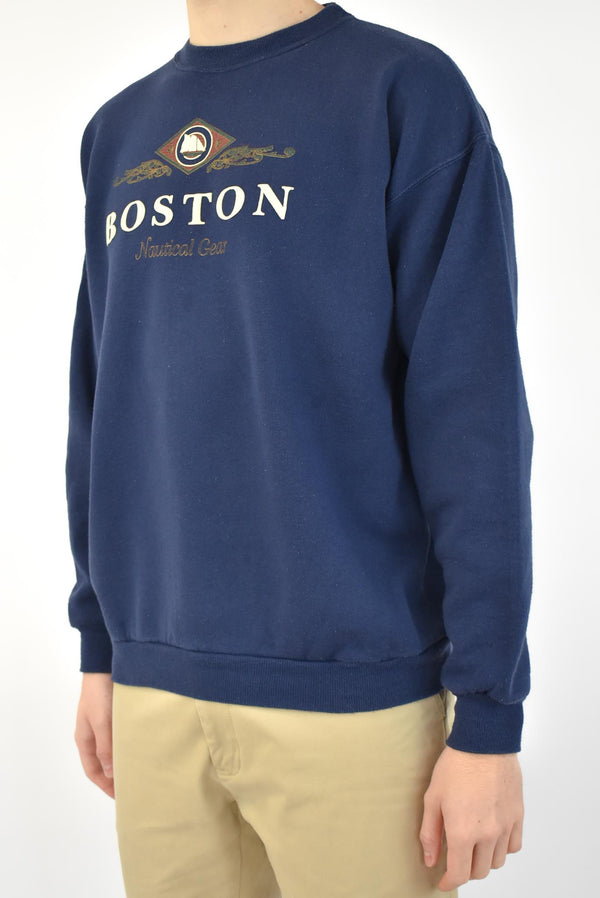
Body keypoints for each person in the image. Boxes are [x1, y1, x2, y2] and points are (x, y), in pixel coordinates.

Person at [65, 2, 533, 896]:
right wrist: (100, 649)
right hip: (153, 687)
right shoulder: (117, 132)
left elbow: (475, 419)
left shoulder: (403, 91)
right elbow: (101, 398)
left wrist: (487, 716)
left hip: (355, 699)